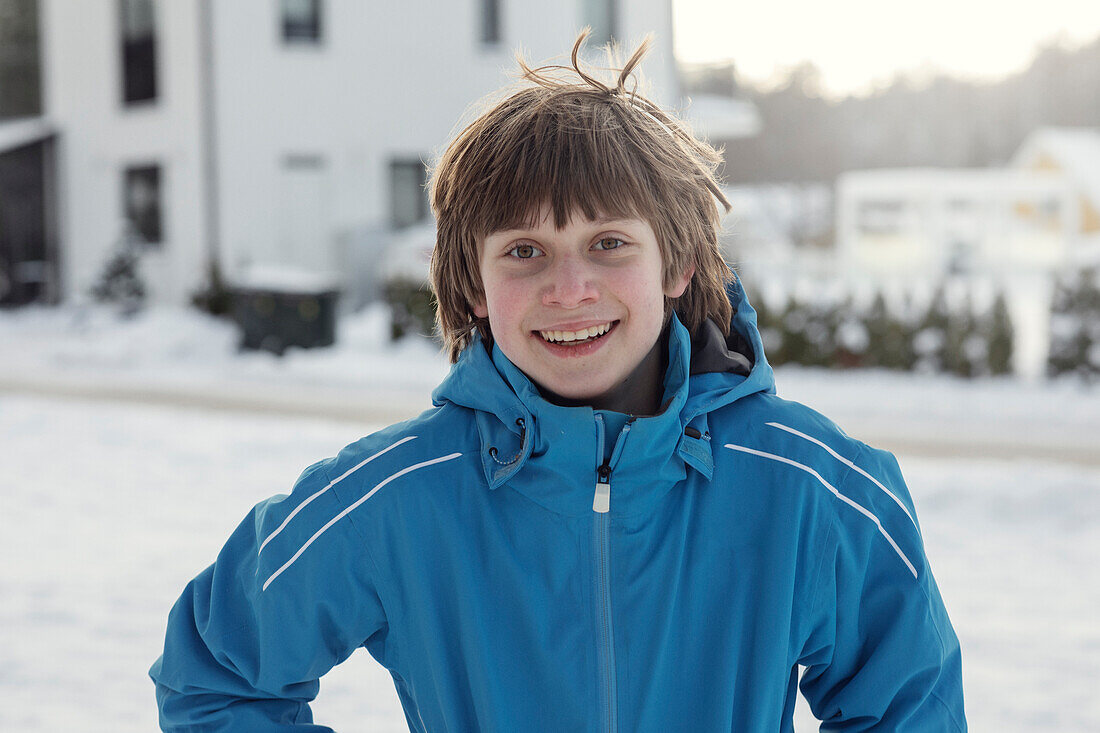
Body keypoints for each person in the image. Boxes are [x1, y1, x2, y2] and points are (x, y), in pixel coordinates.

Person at [150, 31, 966, 732]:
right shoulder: (397, 497)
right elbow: (215, 674)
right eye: (523, 250)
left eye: (609, 243)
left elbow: (909, 708)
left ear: (678, 259)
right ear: (472, 282)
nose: (568, 289)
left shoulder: (819, 489)